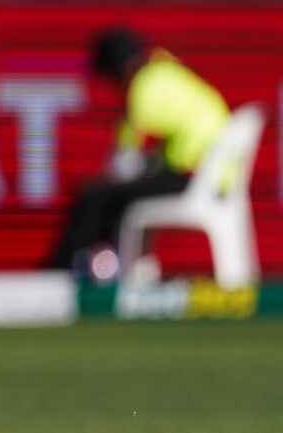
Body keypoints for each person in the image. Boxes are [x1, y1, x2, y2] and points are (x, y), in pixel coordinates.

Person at [48, 26, 230, 275]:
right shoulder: (166, 73)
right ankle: (119, 267)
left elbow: (125, 160)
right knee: (114, 194)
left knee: (96, 196)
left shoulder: (145, 86)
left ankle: (62, 271)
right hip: (209, 176)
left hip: (196, 176)